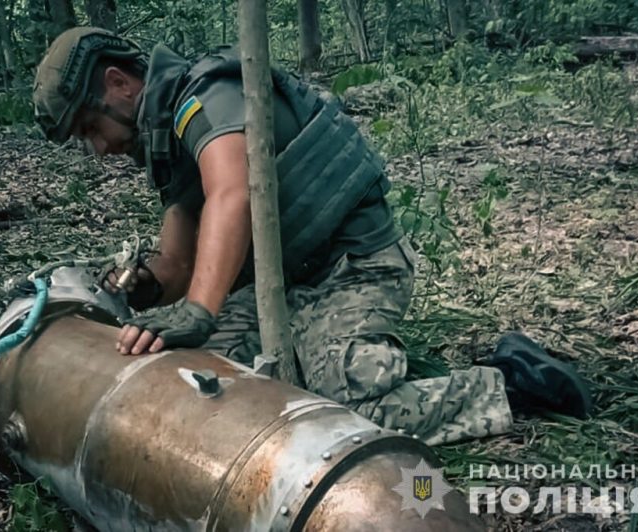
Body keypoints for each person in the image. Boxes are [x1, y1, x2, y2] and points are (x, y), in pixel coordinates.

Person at [32, 27, 591, 445]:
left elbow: (234, 192)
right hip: (285, 290)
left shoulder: (209, 97)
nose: (98, 148)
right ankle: (353, 361)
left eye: (90, 128)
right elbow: (174, 267)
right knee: (203, 386)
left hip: (355, 268)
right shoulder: (170, 145)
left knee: (339, 414)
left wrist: (200, 310)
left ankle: (511, 383)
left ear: (118, 84)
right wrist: (138, 290)